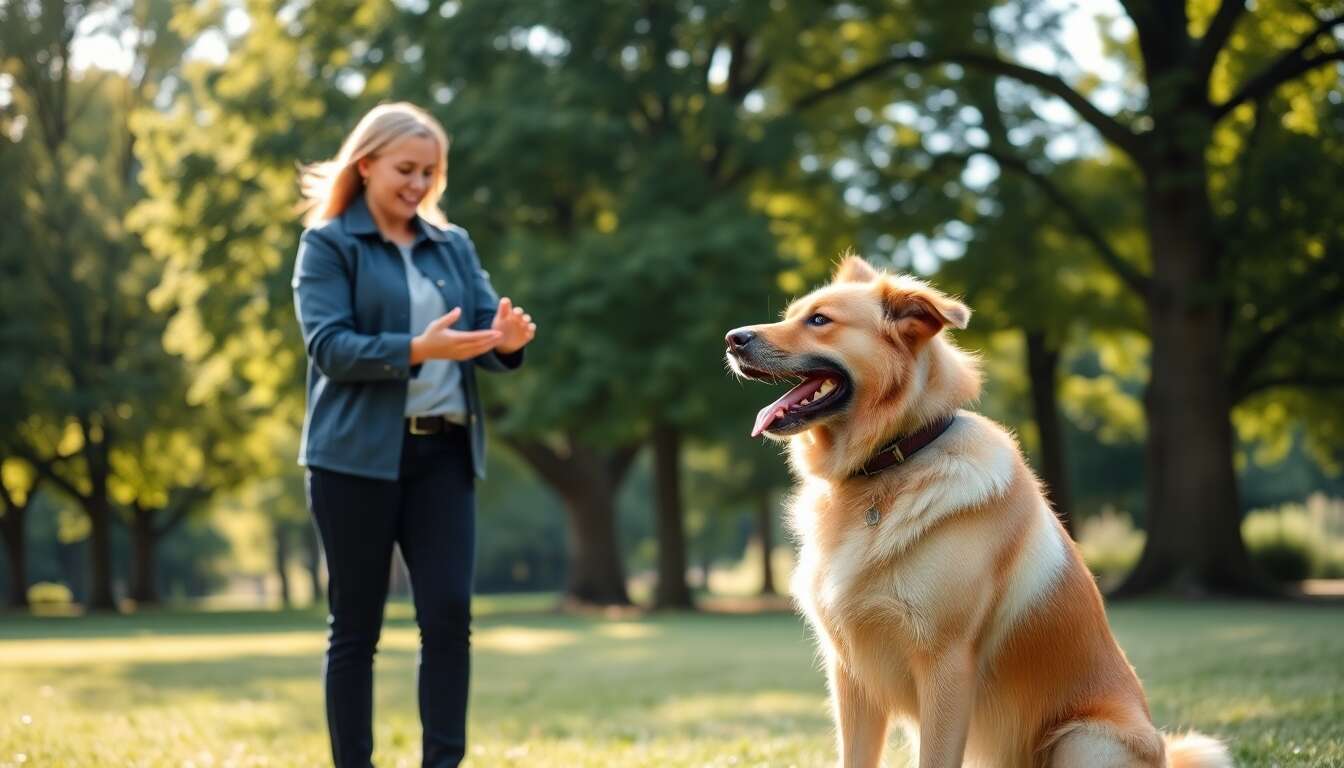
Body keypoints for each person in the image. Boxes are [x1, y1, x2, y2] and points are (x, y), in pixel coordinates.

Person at [292, 101, 535, 767]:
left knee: (449, 617)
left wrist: (506, 342)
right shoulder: (328, 245)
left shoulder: (451, 245)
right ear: (365, 164)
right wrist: (418, 349)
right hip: (353, 459)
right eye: (406, 169)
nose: (419, 185)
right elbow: (329, 347)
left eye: (430, 172)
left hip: (444, 454)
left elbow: (481, 334)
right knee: (357, 628)